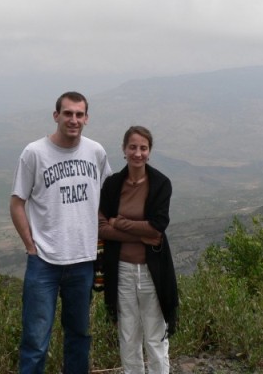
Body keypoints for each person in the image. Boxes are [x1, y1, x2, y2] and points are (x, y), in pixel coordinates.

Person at [10, 91, 112, 374]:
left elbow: (108, 196)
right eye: (68, 113)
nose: (74, 120)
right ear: (56, 116)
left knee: (79, 336)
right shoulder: (34, 153)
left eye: (79, 114)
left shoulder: (96, 152)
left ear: (87, 118)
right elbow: (17, 203)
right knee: (35, 341)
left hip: (82, 260)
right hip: (44, 262)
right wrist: (31, 246)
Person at [98, 126, 178, 374]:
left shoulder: (160, 184)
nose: (138, 153)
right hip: (120, 271)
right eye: (133, 147)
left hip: (152, 272)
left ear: (149, 152)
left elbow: (157, 228)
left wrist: (119, 222)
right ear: (124, 150)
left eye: (143, 148)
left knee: (155, 337)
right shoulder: (112, 185)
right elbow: (101, 228)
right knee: (128, 336)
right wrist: (140, 234)